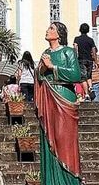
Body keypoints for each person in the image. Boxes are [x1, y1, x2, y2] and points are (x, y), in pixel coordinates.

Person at [36, 22, 82, 184]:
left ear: (59, 34)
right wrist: (41, 70)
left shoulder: (68, 52)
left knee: (64, 140)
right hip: (48, 99)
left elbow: (76, 74)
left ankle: (69, 180)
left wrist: (52, 66)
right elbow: (40, 77)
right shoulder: (45, 53)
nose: (47, 30)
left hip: (63, 97)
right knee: (50, 138)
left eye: (51, 28)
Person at [74, 23, 99, 99]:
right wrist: (95, 60)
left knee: (83, 78)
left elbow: (75, 49)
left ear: (80, 30)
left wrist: (75, 58)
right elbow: (94, 50)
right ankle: (90, 87)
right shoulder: (90, 40)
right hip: (90, 60)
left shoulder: (77, 39)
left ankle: (86, 94)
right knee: (89, 76)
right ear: (88, 30)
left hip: (81, 60)